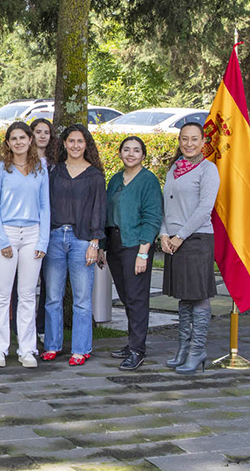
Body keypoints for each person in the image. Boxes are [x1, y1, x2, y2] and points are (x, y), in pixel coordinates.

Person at [0, 122, 49, 368]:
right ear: (8, 143)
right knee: (2, 294)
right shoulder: (0, 170)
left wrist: (43, 240)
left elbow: (45, 206)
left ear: (30, 140)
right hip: (7, 233)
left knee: (27, 295)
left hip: (33, 233)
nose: (19, 142)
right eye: (14, 138)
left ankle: (27, 349)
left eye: (23, 137)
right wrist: (2, 240)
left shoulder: (39, 170)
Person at [42, 124, 106, 366]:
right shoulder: (55, 172)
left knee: (81, 299)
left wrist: (95, 243)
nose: (76, 145)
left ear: (86, 144)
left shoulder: (95, 176)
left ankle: (81, 349)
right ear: (64, 144)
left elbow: (99, 211)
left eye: (80, 141)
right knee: (53, 297)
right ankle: (52, 345)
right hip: (55, 238)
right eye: (71, 141)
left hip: (82, 241)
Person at [161, 123, 220, 375]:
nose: (189, 144)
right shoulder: (174, 168)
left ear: (203, 141)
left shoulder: (208, 170)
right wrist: (164, 233)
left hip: (196, 240)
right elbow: (166, 206)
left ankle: (198, 350)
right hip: (174, 240)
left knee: (198, 296)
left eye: (194, 139)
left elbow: (205, 208)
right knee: (184, 297)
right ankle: (183, 348)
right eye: (184, 139)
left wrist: (180, 236)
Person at [102, 136, 163, 371]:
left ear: (143, 155)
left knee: (137, 299)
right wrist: (103, 247)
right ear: (120, 153)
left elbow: (152, 218)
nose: (130, 154)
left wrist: (144, 252)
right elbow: (107, 215)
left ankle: (138, 350)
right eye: (126, 149)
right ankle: (131, 343)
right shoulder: (116, 179)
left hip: (136, 246)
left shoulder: (148, 181)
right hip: (116, 245)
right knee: (126, 296)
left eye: (136, 150)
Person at [31, 117, 55, 338]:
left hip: (51, 226)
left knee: (48, 281)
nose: (42, 136)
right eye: (38, 132)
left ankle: (42, 328)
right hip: (28, 226)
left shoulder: (55, 163)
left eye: (46, 132)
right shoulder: (23, 162)